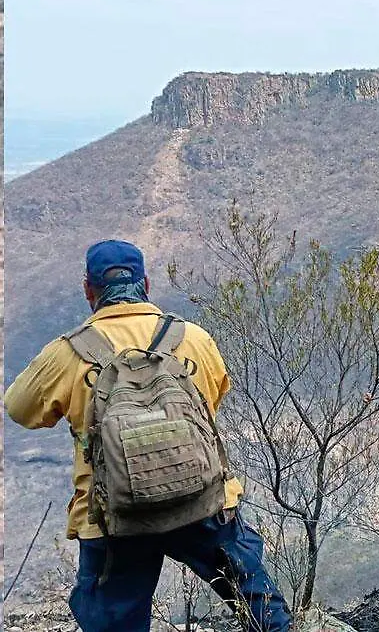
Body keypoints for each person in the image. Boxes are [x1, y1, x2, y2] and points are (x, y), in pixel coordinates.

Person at [4, 240, 291, 632]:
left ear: (89, 290)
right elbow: (217, 395)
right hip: (203, 501)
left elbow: (19, 409)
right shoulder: (192, 338)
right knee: (257, 605)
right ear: (147, 284)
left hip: (112, 517)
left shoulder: (67, 354)